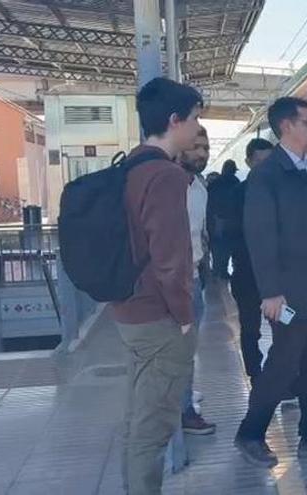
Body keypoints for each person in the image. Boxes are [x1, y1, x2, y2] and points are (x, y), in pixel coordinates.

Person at [234, 97, 307, 467]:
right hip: (288, 294)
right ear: (287, 126)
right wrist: (270, 291)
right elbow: (260, 237)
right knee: (283, 365)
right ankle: (250, 434)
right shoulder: (266, 177)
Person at [111, 77, 202, 495]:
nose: (195, 129)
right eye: (194, 119)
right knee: (154, 429)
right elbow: (171, 259)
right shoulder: (166, 176)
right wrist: (184, 317)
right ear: (173, 120)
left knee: (136, 421)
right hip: (158, 318)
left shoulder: (130, 165)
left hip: (129, 310)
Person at [177, 126, 216, 436]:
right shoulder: (170, 185)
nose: (202, 154)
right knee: (178, 352)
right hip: (175, 284)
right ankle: (184, 412)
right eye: (195, 147)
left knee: (188, 351)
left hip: (194, 278)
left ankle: (184, 398)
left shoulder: (199, 187)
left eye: (205, 148)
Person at [228, 137, 274, 384]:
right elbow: (233, 233)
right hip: (247, 275)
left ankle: (279, 375)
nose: (265, 167)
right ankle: (255, 374)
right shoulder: (237, 195)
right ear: (248, 162)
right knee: (251, 328)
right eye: (259, 162)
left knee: (286, 327)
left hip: (278, 278)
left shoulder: (283, 193)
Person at [207, 160, 240, 278]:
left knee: (217, 252)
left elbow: (209, 203)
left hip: (216, 222)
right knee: (231, 252)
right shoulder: (236, 183)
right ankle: (224, 274)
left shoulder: (214, 184)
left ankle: (218, 275)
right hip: (233, 223)